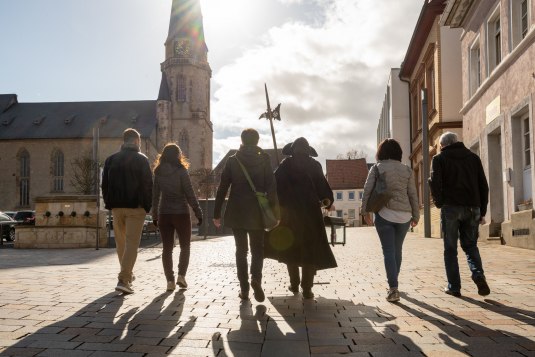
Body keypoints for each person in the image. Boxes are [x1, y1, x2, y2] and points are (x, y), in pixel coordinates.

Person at [264, 137, 337, 299]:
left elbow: (274, 188)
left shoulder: (285, 165)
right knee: (309, 250)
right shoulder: (314, 165)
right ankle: (307, 288)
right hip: (311, 215)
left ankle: (294, 283)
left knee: (291, 248)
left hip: (289, 216)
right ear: (308, 151)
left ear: (293, 150)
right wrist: (327, 202)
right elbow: (324, 190)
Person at [213, 128, 279, 302]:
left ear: (241, 141)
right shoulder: (264, 159)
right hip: (258, 211)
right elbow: (272, 187)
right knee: (258, 250)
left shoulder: (233, 161)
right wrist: (275, 213)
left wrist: (216, 213)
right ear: (257, 141)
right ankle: (256, 279)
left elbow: (222, 189)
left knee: (241, 251)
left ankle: (244, 290)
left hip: (237, 211)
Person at [429, 132, 490, 297]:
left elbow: (435, 183)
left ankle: (454, 287)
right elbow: (483, 185)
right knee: (470, 246)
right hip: (472, 208)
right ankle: (478, 274)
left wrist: (439, 202)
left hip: (451, 208)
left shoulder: (439, 159)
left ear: (443, 145)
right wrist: (482, 211)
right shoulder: (473, 158)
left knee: (450, 249)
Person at [361, 138, 419, 302]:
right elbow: (413, 194)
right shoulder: (406, 170)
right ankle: (394, 285)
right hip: (404, 216)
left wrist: (365, 211)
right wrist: (416, 215)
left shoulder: (377, 168)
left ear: (381, 152)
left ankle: (393, 288)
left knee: (388, 251)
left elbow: (367, 190)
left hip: (385, 213)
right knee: (397, 250)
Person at [102, 128, 153, 294]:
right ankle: (123, 279)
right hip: (135, 208)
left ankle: (127, 276)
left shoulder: (111, 160)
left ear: (123, 141)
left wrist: (109, 203)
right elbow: (147, 185)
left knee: (121, 244)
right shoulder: (142, 160)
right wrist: (147, 206)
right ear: (137, 141)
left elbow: (105, 185)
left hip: (117, 208)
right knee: (132, 244)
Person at [152, 143, 203, 292]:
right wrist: (198, 212)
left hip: (164, 213)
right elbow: (190, 194)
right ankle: (181, 276)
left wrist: (155, 214)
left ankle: (170, 281)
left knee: (167, 249)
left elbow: (155, 197)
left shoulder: (158, 172)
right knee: (185, 246)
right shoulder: (182, 171)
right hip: (181, 213)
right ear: (177, 155)